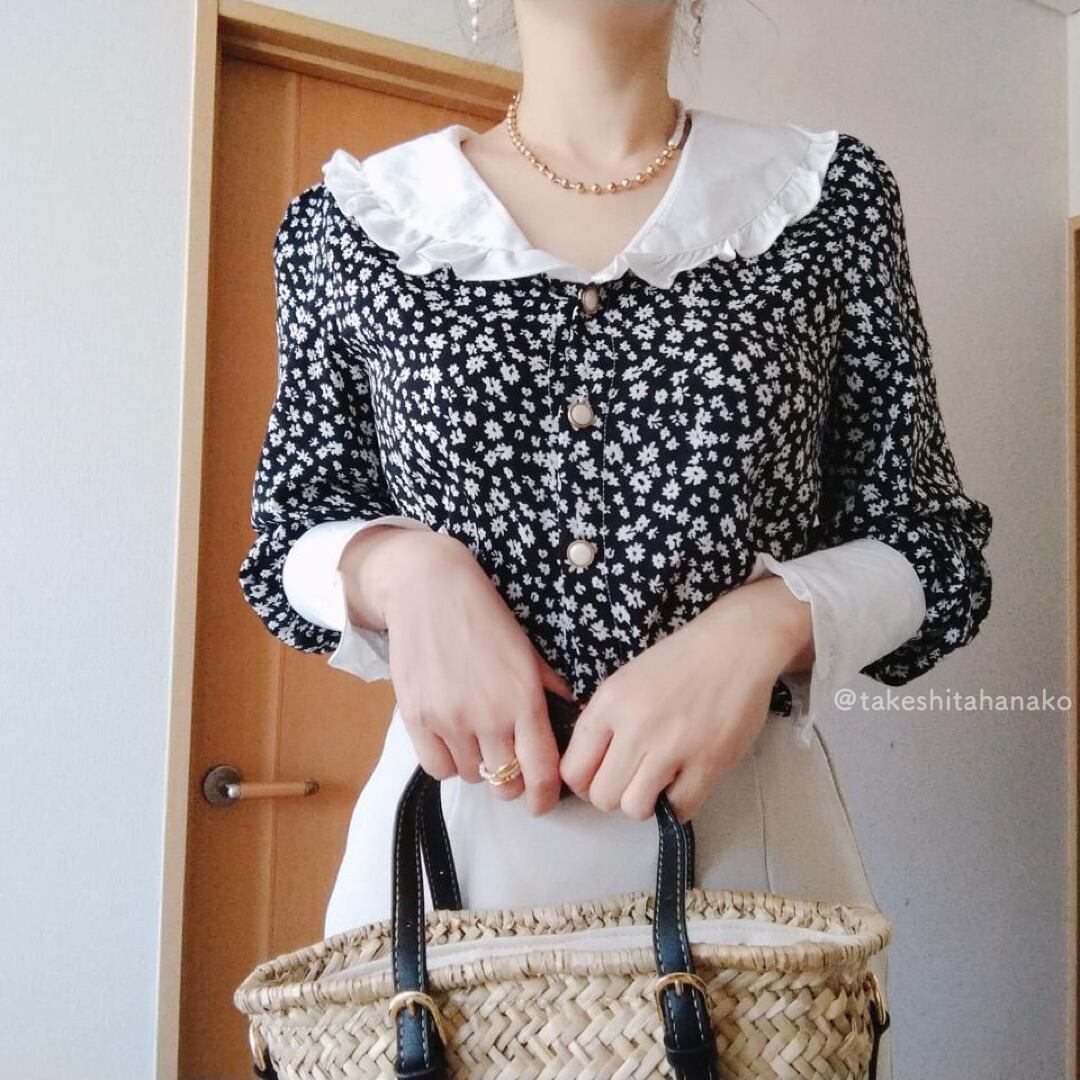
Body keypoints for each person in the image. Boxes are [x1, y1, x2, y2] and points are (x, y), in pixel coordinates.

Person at [237, 4, 994, 1077]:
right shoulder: (357, 222)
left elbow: (935, 547)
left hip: (752, 888)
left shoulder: (826, 201)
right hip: (440, 891)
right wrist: (404, 570)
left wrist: (764, 625)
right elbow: (288, 536)